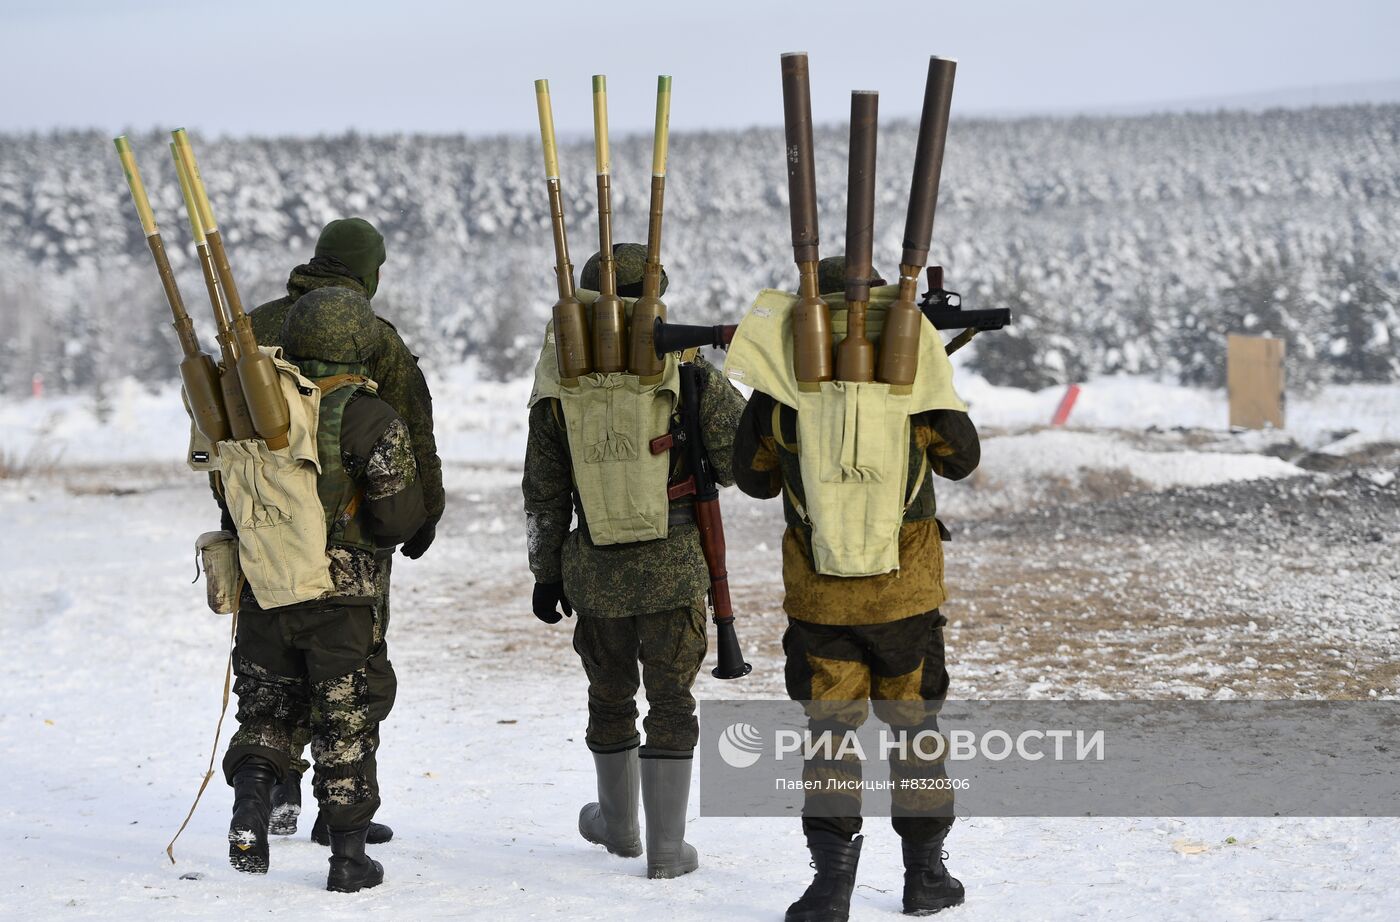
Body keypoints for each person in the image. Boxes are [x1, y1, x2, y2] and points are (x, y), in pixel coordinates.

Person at [732, 256, 980, 920]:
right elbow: (962, 460)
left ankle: (830, 887)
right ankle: (925, 877)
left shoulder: (781, 388)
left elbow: (753, 479)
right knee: (916, 731)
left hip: (821, 603)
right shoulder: (911, 378)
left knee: (829, 736)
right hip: (905, 601)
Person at [521, 243, 746, 879]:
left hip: (594, 568)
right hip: (674, 563)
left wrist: (545, 574)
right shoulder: (686, 368)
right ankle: (667, 850)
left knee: (609, 691)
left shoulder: (560, 378)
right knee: (672, 699)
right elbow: (736, 462)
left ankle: (619, 828)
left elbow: (543, 491)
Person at [247, 217, 444, 846]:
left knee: (272, 669)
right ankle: (340, 816)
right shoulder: (371, 334)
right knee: (351, 673)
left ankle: (276, 797)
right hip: (352, 544)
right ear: (369, 269)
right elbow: (410, 426)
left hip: (267, 538)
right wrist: (425, 510)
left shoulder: (255, 326)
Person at [221, 287, 425, 892]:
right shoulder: (372, 417)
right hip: (341, 602)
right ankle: (348, 859)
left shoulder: (253, 411)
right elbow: (397, 518)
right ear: (359, 343)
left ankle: (249, 809)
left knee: (267, 709)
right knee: (344, 722)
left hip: (267, 587)